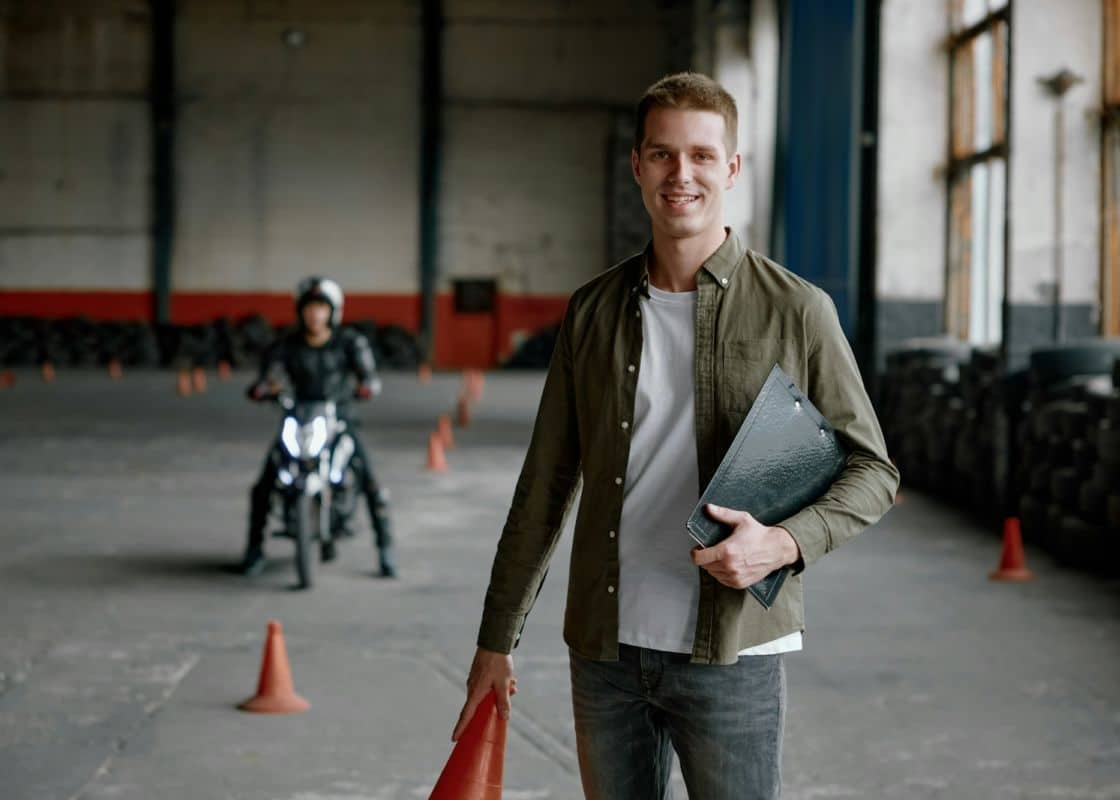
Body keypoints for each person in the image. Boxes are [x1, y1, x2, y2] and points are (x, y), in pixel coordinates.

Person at [452, 73, 899, 798]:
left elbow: (872, 469)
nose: (680, 174)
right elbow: (545, 485)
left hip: (732, 655)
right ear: (637, 166)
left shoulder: (797, 310)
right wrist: (495, 639)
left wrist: (783, 544)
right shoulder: (592, 311)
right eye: (661, 155)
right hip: (605, 653)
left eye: (699, 155)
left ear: (731, 168)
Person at [239, 276, 398, 579]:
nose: (315, 314)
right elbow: (269, 376)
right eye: (310, 307)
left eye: (322, 307)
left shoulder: (350, 342)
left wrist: (368, 386)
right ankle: (253, 550)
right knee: (264, 483)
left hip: (339, 419)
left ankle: (386, 550)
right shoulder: (286, 345)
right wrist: (263, 389)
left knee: (372, 482)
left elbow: (369, 375)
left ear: (333, 311)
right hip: (297, 418)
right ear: (300, 311)